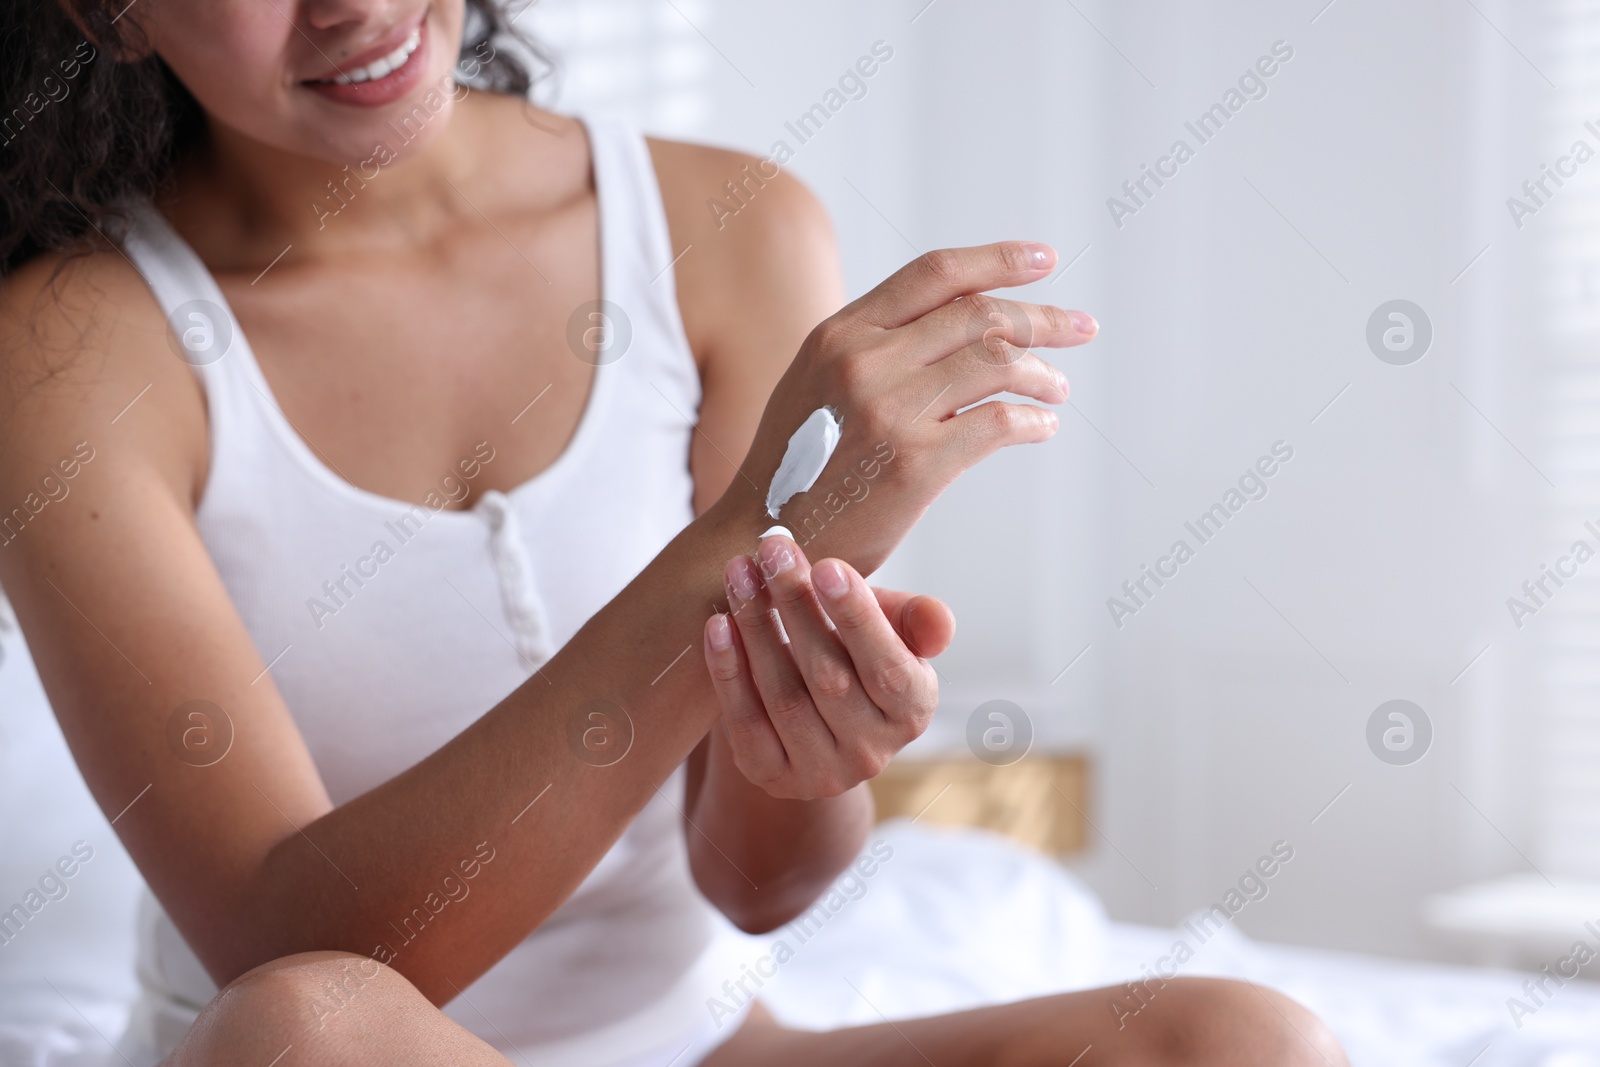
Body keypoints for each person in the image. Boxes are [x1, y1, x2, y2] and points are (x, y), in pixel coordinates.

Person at [0, 1, 1348, 1064]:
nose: (352, 5)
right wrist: (750, 531)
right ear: (110, 12)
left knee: (1243, 1043)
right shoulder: (65, 355)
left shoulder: (723, 229)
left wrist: (807, 740)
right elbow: (286, 945)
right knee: (307, 1031)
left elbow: (760, 890)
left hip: (698, 1046)